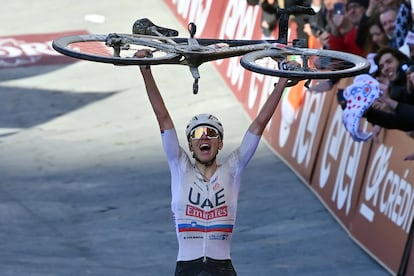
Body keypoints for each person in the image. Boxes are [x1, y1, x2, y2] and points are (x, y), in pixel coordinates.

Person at [136, 49, 289, 275]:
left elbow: (259, 124)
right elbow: (163, 118)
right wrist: (145, 70)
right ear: (190, 145)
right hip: (188, 268)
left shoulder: (233, 168)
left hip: (222, 268)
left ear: (220, 143)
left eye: (211, 133)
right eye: (197, 135)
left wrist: (282, 81)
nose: (204, 137)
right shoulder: (179, 166)